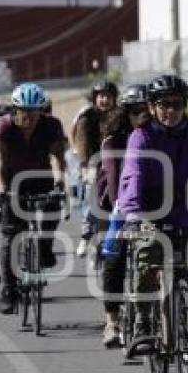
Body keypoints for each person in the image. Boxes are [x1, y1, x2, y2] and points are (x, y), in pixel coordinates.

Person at [115, 74, 188, 344]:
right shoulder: (141, 137)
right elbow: (133, 175)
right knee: (147, 259)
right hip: (150, 215)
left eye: (176, 104)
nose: (171, 111)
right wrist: (132, 214)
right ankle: (142, 321)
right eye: (164, 104)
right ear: (152, 107)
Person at [0, 83, 67, 314]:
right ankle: (8, 289)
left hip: (41, 176)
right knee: (10, 236)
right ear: (15, 110)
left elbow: (56, 157)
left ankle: (44, 246)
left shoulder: (51, 125)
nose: (30, 116)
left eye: (35, 110)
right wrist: (2, 190)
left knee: (54, 203)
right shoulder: (2, 127)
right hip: (12, 182)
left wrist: (59, 183)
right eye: (25, 110)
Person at [98, 84, 146, 347]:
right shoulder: (113, 139)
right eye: (136, 111)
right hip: (118, 202)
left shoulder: (157, 134)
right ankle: (112, 322)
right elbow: (115, 175)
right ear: (125, 112)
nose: (143, 116)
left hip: (152, 203)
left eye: (146, 110)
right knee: (114, 255)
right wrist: (124, 209)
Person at [73, 80, 118, 258]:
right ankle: (86, 235)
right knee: (91, 195)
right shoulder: (87, 116)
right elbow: (82, 143)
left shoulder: (120, 115)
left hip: (115, 162)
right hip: (93, 163)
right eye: (101, 96)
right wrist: (85, 168)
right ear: (95, 98)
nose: (105, 100)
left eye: (108, 96)